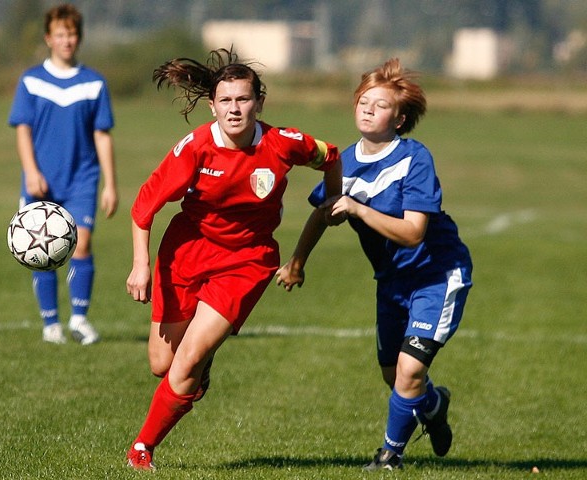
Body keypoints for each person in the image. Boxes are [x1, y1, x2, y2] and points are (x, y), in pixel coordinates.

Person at [124, 47, 342, 470]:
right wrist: (140, 264)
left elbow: (330, 155)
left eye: (243, 99)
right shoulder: (196, 148)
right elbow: (144, 207)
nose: (235, 108)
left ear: (259, 102)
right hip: (187, 251)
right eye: (226, 100)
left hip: (247, 261)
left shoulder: (284, 143)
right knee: (161, 365)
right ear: (213, 105)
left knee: (184, 364)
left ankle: (142, 448)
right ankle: (201, 362)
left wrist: (334, 198)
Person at [276, 58, 473, 470]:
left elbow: (414, 232)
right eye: (363, 100)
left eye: (380, 105)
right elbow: (322, 212)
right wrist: (296, 262)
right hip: (392, 282)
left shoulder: (414, 159)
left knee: (408, 370)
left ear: (399, 119)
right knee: (394, 376)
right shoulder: (342, 163)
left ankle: (389, 457)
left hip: (437, 275)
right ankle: (434, 406)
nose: (367, 108)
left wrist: (359, 209)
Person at [8, 3, 118, 345]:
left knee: (81, 244)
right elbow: (22, 129)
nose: (66, 40)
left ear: (79, 38)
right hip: (42, 178)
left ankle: (80, 320)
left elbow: (102, 134)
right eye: (60, 34)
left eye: (71, 34)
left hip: (82, 178)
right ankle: (51, 324)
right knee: (42, 250)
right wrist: (30, 171)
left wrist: (110, 184)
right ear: (48, 38)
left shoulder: (94, 83)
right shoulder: (31, 80)